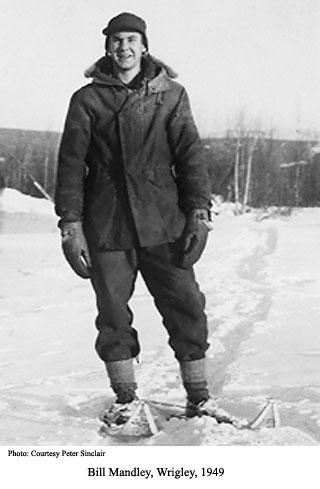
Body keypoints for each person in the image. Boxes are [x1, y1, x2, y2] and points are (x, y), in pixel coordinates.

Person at [55, 12, 238, 429]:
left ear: (144, 45)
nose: (124, 48)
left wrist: (199, 213)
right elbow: (70, 166)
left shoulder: (170, 94)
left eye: (131, 40)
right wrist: (71, 224)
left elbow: (190, 155)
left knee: (187, 305)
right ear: (107, 47)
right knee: (113, 312)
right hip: (108, 223)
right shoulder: (87, 100)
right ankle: (125, 400)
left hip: (163, 220)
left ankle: (199, 398)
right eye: (117, 40)